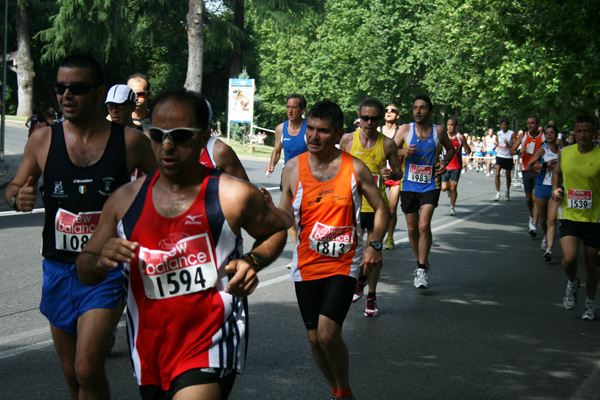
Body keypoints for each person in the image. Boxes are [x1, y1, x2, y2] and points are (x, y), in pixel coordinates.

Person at [76, 89, 289, 399]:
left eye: (180, 135)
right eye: (158, 134)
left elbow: (276, 230)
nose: (167, 146)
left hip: (211, 342)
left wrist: (252, 262)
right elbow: (85, 268)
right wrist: (100, 260)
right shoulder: (125, 200)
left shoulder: (232, 195)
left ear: (203, 138)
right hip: (150, 347)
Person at [4, 54, 158, 399]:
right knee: (72, 372)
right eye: (61, 88)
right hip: (58, 267)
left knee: (88, 367)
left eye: (78, 88)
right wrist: (19, 197)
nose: (66, 95)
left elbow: (165, 187)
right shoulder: (43, 140)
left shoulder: (130, 142)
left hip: (107, 268)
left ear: (98, 92)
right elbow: (15, 187)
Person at [278, 100, 389, 400]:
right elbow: (284, 216)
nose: (313, 137)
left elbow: (381, 208)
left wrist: (374, 244)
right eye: (310, 129)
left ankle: (343, 391)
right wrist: (263, 210)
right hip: (306, 264)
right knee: (315, 341)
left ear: (339, 133)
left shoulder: (355, 168)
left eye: (323, 131)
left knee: (328, 334)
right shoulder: (292, 169)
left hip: (344, 263)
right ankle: (338, 389)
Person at [339, 97, 401, 316]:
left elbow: (398, 172)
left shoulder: (387, 143)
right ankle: (359, 279)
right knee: (351, 253)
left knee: (374, 253)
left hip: (377, 208)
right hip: (352, 206)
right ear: (359, 118)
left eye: (374, 119)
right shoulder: (347, 140)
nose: (369, 123)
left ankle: (371, 295)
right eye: (364, 118)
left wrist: (390, 174)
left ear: (379, 119)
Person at [396, 95, 455, 289]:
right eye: (415, 108)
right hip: (408, 185)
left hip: (431, 184)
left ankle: (421, 269)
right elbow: (387, 150)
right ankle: (421, 260)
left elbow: (451, 149)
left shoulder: (438, 130)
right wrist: (401, 153)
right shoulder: (405, 129)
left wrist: (444, 162)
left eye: (422, 108)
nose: (418, 111)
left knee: (423, 224)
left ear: (429, 111)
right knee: (412, 228)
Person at [552, 116, 600, 320]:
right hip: (570, 213)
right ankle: (572, 282)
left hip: (595, 217)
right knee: (569, 259)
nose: (582, 135)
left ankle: (590, 304)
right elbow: (557, 173)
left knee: (590, 263)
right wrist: (555, 189)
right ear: (574, 132)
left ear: (594, 133)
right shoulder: (566, 153)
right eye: (579, 131)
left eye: (587, 131)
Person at [266, 94, 309, 247]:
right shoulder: (280, 129)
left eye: (294, 107)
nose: (290, 111)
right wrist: (272, 164)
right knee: (290, 216)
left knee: (305, 217)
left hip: (307, 178)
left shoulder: (309, 128)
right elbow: (277, 150)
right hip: (287, 178)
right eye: (288, 107)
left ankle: (307, 247)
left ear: (302, 110)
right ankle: (298, 249)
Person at [527, 125, 561, 261]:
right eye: (547, 133)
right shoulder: (543, 150)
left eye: (552, 133)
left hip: (556, 188)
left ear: (556, 135)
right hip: (542, 186)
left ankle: (549, 250)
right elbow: (530, 165)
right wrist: (545, 165)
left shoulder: (563, 151)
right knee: (543, 220)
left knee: (552, 220)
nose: (549, 135)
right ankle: (546, 236)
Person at [512, 116, 545, 237]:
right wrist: (519, 151)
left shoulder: (543, 137)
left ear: (537, 124)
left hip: (539, 170)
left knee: (535, 198)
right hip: (526, 170)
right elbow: (512, 150)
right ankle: (532, 215)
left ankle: (534, 225)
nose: (530, 125)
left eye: (532, 123)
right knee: (528, 199)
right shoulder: (523, 136)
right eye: (528, 123)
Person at [378, 103, 402, 249]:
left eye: (392, 111)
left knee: (392, 208)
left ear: (397, 115)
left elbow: (407, 150)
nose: (388, 112)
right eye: (386, 110)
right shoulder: (377, 130)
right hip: (379, 174)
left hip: (394, 174)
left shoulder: (401, 132)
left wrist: (401, 152)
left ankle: (390, 237)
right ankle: (377, 237)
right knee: (378, 208)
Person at [441, 118, 471, 216]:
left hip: (456, 166)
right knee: (444, 188)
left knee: (453, 187)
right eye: (448, 125)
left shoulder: (460, 137)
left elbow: (468, 149)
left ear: (455, 126)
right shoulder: (443, 136)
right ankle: (449, 190)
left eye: (451, 125)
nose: (449, 127)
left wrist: (467, 151)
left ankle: (452, 207)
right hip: (445, 166)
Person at [494, 118, 515, 201]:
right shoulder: (499, 133)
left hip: (508, 156)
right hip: (500, 155)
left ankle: (507, 191)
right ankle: (498, 192)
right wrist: (497, 144)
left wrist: (508, 144)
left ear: (508, 125)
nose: (503, 126)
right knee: (497, 174)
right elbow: (496, 141)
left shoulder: (511, 134)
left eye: (505, 125)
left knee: (507, 176)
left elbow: (514, 146)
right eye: (502, 125)